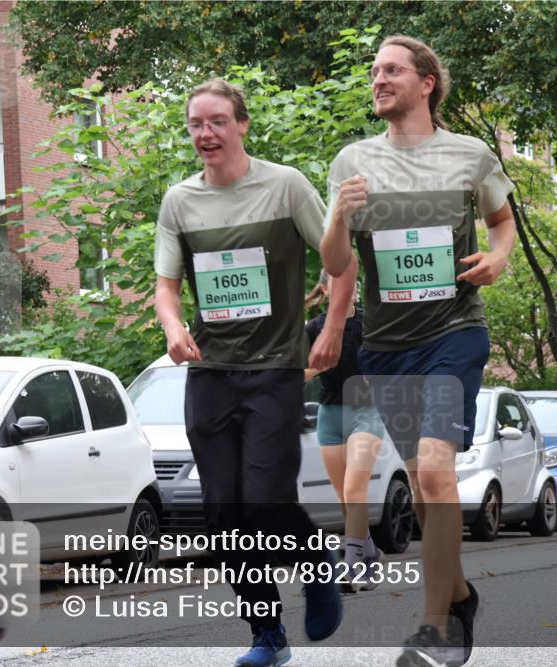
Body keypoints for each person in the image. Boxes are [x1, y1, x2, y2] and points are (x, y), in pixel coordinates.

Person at [321, 36, 516, 667]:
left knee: (433, 472)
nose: (378, 79)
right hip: (386, 347)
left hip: (454, 333)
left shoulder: (470, 155)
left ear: (427, 82)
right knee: (430, 490)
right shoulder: (353, 160)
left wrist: (499, 258)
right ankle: (457, 594)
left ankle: (435, 630)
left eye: (392, 70)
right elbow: (337, 264)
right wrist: (336, 220)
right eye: (375, 71)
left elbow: (502, 222)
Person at [153, 79, 357, 667]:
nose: (205, 133)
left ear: (242, 125)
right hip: (211, 372)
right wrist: (172, 327)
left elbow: (338, 262)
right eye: (196, 123)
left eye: (217, 121)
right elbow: (166, 288)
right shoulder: (178, 201)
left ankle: (316, 564)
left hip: (275, 370)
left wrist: (334, 329)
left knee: (263, 500)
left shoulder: (286, 186)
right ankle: (266, 632)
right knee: (221, 517)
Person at [304, 271, 386, 592]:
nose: (347, 289)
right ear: (325, 290)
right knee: (345, 497)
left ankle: (350, 568)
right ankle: (370, 554)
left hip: (367, 413)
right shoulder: (314, 328)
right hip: (329, 415)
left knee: (354, 490)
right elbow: (302, 372)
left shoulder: (372, 324)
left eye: (351, 283)